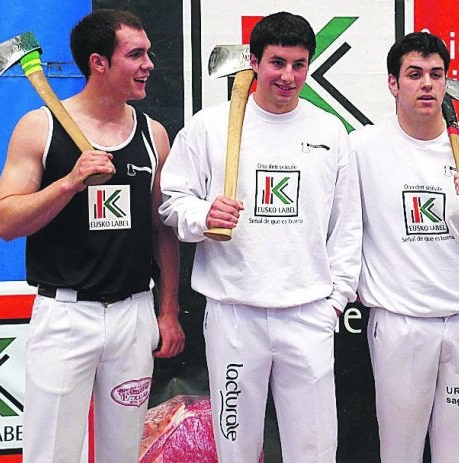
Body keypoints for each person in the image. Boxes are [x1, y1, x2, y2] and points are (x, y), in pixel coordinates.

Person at [158, 11, 361, 463]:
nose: (288, 77)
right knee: (236, 447)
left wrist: (334, 302)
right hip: (234, 313)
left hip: (307, 313)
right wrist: (204, 214)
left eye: (299, 64)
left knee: (314, 449)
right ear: (253, 61)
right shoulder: (209, 127)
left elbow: (347, 225)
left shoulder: (329, 131)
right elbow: (171, 202)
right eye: (277, 63)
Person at [0, 9, 185, 463]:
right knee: (52, 454)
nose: (149, 64)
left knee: (122, 453)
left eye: (148, 53)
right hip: (65, 316)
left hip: (133, 315)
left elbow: (162, 229)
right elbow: (4, 221)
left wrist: (169, 310)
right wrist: (68, 183)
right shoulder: (40, 127)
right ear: (98, 62)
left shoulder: (153, 135)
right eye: (135, 54)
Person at [350, 31, 459, 463]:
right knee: (399, 453)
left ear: (446, 82)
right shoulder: (362, 148)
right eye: (414, 74)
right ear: (393, 83)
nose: (427, 83)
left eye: (436, 74)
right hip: (401, 325)